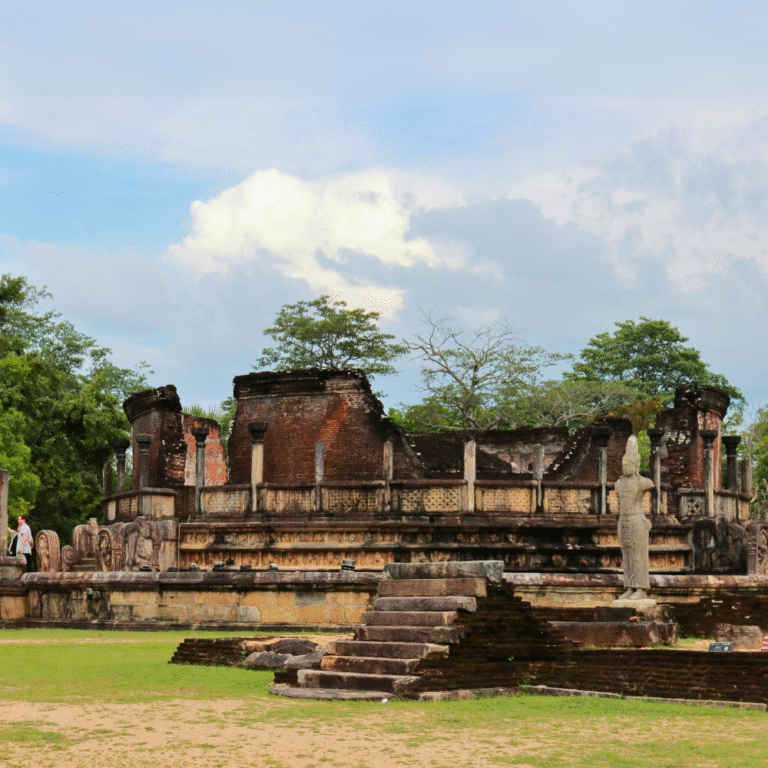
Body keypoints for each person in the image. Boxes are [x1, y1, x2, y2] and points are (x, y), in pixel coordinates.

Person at [615, 436, 654, 600]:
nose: (625, 467)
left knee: (639, 556)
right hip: (623, 522)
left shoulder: (643, 482)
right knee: (627, 556)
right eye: (623, 465)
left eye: (628, 465)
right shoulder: (619, 483)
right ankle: (629, 586)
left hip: (638, 521)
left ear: (636, 465)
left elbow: (652, 486)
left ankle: (641, 588)